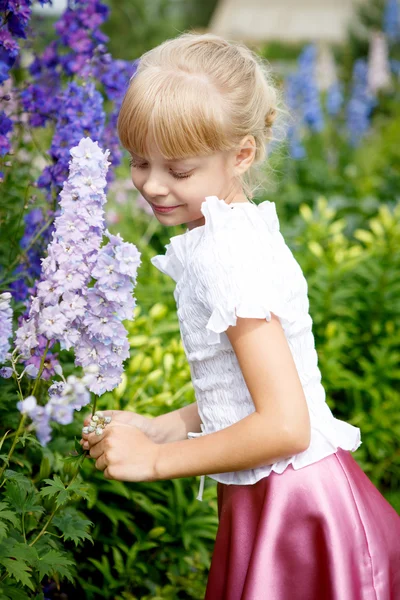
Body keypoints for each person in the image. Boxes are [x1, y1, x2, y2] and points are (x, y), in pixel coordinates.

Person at [80, 32, 400, 599]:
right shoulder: (226, 232)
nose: (152, 185)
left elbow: (284, 425)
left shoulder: (228, 257)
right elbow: (246, 394)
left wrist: (157, 459)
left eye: (177, 170)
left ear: (243, 154)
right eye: (139, 161)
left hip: (296, 504)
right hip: (278, 492)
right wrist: (164, 425)